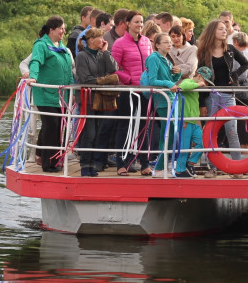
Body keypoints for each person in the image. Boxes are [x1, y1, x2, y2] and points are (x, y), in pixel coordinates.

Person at [196, 19, 248, 165]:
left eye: (225, 29)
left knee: (232, 131)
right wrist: (202, 103)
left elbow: (246, 63)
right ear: (212, 31)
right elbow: (201, 77)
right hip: (210, 96)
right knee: (211, 131)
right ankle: (211, 166)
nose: (224, 31)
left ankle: (237, 166)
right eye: (220, 29)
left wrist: (234, 76)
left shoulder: (231, 49)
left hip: (228, 94)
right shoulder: (203, 52)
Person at [26, 16, 74, 172]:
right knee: (51, 124)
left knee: (59, 126)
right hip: (46, 94)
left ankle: (53, 159)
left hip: (62, 96)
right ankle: (48, 163)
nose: (63, 31)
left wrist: (72, 89)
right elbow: (36, 62)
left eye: (64, 28)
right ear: (51, 30)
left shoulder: (62, 47)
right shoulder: (41, 45)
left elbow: (68, 71)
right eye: (61, 28)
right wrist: (33, 76)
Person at [112, 11, 154, 175]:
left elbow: (151, 63)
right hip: (128, 91)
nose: (140, 25)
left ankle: (144, 163)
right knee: (125, 126)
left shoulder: (146, 42)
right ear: (127, 23)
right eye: (136, 22)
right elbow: (114, 68)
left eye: (141, 22)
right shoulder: (119, 43)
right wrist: (129, 78)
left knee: (144, 126)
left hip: (145, 91)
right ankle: (121, 164)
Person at [74, 27, 119, 176]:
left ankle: (91, 165)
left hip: (100, 99)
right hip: (87, 100)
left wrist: (106, 52)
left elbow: (113, 68)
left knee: (98, 133)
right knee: (89, 133)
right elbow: (85, 78)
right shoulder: (81, 56)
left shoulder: (101, 54)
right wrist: (104, 80)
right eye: (100, 37)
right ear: (91, 40)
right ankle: (85, 165)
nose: (103, 40)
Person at [140, 32, 184, 175]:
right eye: (165, 42)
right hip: (162, 100)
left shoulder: (166, 59)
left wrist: (177, 74)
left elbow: (169, 78)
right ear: (157, 45)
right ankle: (159, 167)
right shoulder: (154, 58)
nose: (169, 44)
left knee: (170, 132)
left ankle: (162, 165)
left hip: (169, 98)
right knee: (168, 133)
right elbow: (153, 81)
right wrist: (169, 82)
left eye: (170, 42)